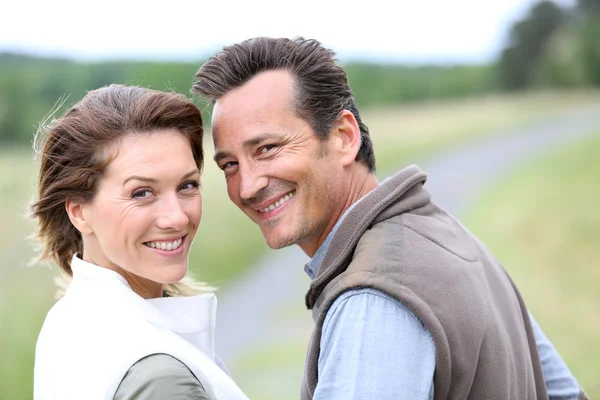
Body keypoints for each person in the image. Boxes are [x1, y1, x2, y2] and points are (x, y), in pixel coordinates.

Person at [191, 37, 589, 400]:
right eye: (229, 165)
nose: (246, 186)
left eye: (267, 148)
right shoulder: (445, 234)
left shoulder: (374, 300)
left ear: (344, 137)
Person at [31, 84, 249, 400]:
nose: (176, 217)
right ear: (79, 212)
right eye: (141, 193)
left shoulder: (67, 320)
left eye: (187, 185)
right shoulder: (160, 377)